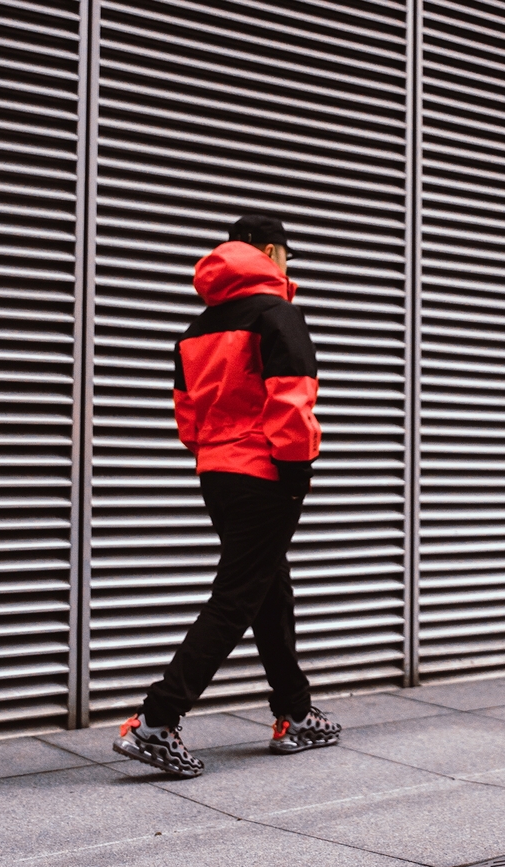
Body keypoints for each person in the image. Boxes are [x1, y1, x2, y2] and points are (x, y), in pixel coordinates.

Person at [113, 214, 341, 778]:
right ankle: (157, 720)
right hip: (266, 471)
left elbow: (186, 416)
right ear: (269, 250)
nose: (289, 265)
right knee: (239, 593)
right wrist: (297, 472)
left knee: (267, 586)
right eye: (286, 254)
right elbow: (292, 400)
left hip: (216, 471)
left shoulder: (197, 329)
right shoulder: (277, 314)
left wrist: (216, 455)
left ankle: (295, 711)